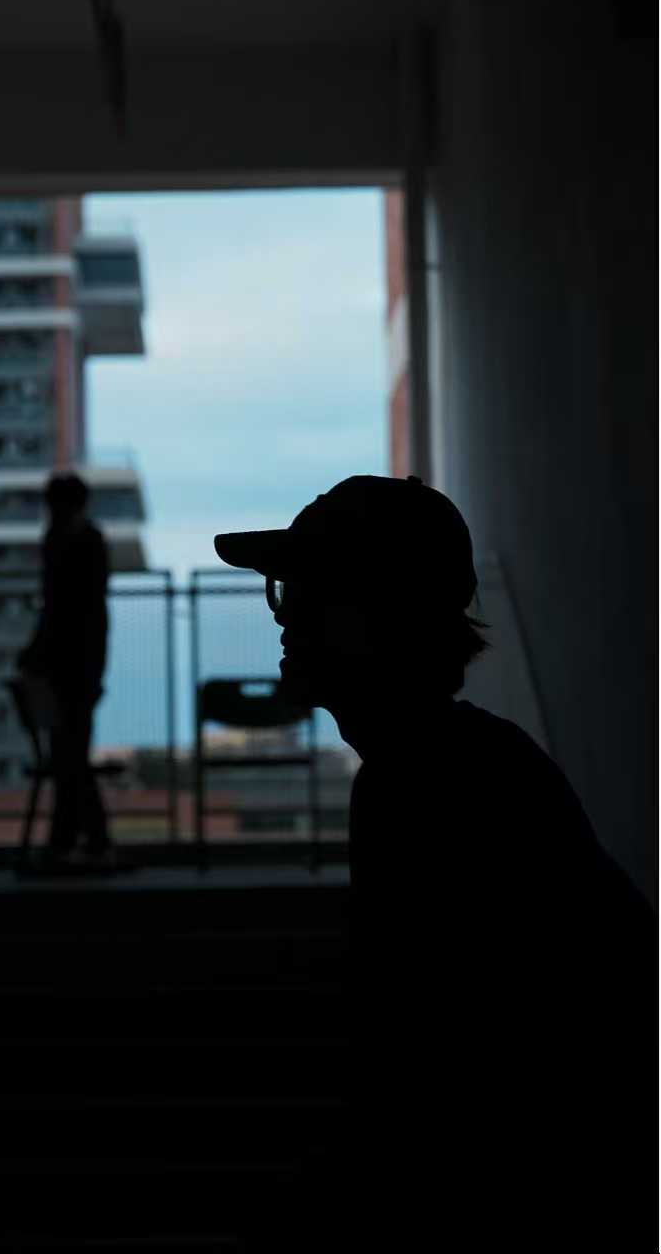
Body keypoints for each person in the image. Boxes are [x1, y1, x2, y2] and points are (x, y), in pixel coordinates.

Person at [214, 474, 654, 1244]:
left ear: (387, 616)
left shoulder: (429, 785)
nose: (285, 618)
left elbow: (437, 1069)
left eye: (309, 594)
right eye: (284, 593)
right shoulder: (454, 765)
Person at [16, 473, 114, 871]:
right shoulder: (86, 539)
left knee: (67, 756)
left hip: (67, 664)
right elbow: (85, 609)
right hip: (82, 662)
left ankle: (73, 840)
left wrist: (35, 652)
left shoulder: (62, 540)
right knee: (72, 755)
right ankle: (85, 839)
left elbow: (57, 608)